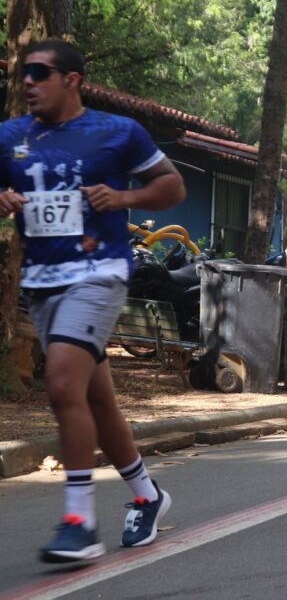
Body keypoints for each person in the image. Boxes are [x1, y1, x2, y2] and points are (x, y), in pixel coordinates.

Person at [0, 40, 186, 562]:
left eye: (40, 72)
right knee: (96, 399)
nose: (29, 81)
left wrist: (125, 197)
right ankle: (149, 496)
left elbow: (172, 186)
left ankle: (80, 521)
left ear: (73, 80)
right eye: (24, 73)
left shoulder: (116, 132)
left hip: (98, 274)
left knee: (61, 383)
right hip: (42, 282)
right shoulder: (10, 137)